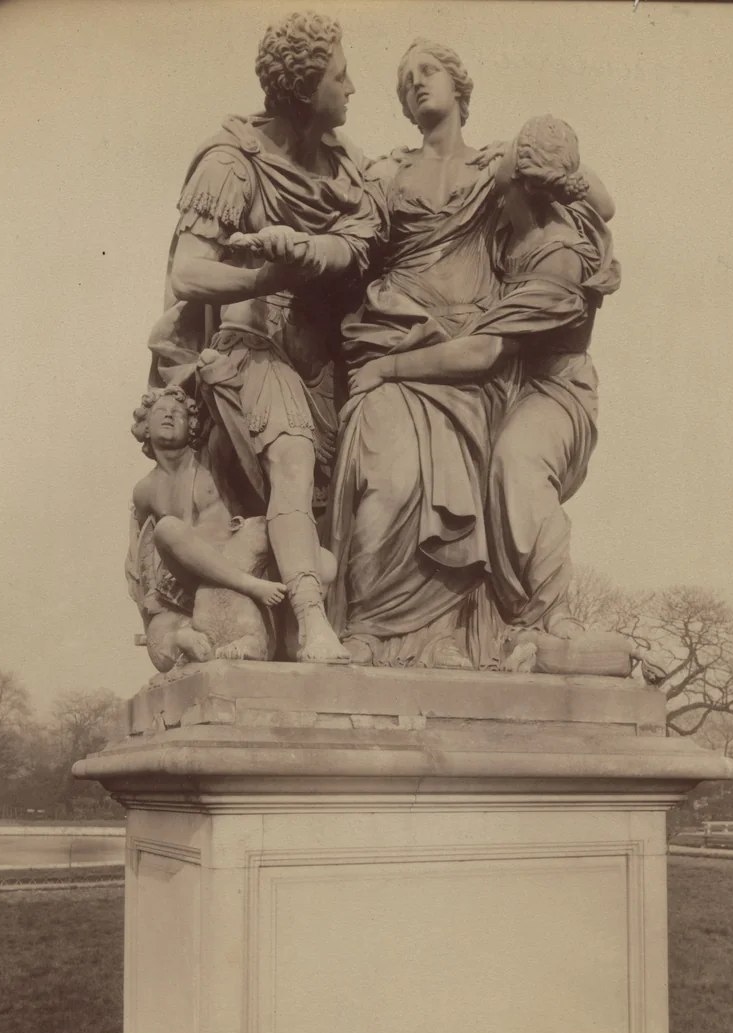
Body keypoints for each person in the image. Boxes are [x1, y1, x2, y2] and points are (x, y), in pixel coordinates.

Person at [147, 12, 382, 664]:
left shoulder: (349, 169)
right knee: (291, 452)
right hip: (248, 349)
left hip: (325, 357)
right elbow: (188, 272)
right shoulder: (231, 162)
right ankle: (310, 624)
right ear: (307, 90)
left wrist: (313, 251)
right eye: (340, 75)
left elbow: (367, 238)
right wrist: (267, 272)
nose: (353, 88)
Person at [349, 115, 619, 668]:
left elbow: (483, 352)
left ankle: (547, 615)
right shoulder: (503, 227)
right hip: (503, 381)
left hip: (552, 392)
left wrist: (390, 369)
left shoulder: (560, 255)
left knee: (515, 462)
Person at [324, 39, 505, 670]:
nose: (415, 84)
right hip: (390, 336)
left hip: (465, 358)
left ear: (459, 84)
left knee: (455, 491)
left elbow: (593, 197)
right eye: (404, 81)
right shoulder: (383, 173)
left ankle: (442, 637)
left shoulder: (495, 170)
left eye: (427, 72)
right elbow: (347, 246)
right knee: (393, 480)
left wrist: (541, 155)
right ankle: (368, 625)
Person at [127, 386, 284, 671]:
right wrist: (152, 604)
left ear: (192, 424)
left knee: (322, 562)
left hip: (240, 557)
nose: (170, 416)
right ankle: (188, 636)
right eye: (160, 412)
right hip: (192, 576)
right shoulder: (145, 490)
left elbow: (230, 427)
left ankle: (248, 597)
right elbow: (143, 552)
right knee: (168, 530)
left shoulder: (211, 458)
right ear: (144, 427)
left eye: (178, 413)